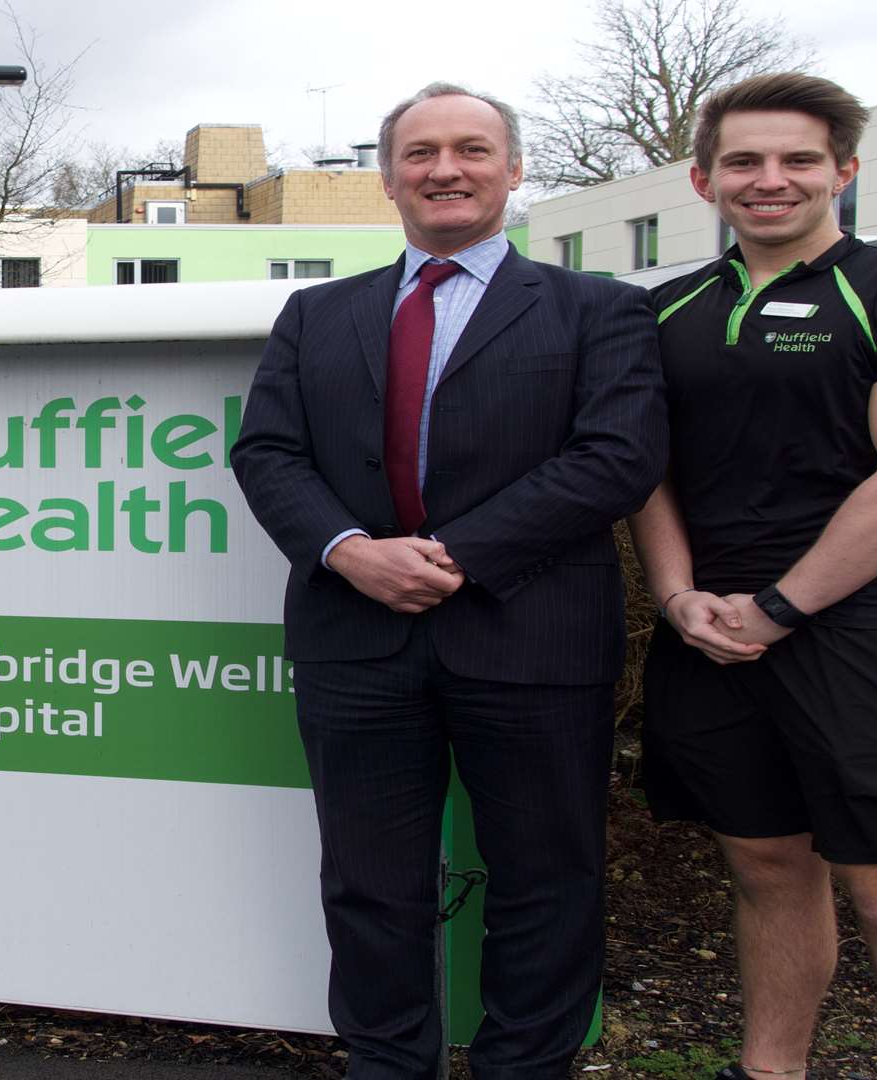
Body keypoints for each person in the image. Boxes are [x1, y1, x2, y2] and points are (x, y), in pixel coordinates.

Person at [232, 82, 667, 1078]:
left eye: (472, 149)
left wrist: (455, 555)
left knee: (547, 880)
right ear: (389, 179)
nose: (445, 169)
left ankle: (525, 1067)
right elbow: (268, 455)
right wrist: (350, 550)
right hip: (356, 637)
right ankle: (388, 1064)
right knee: (369, 884)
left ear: (513, 171)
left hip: (535, 635)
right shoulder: (317, 315)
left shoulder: (599, 310)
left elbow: (617, 457)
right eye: (420, 153)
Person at [630, 73, 877, 1080]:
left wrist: (784, 607)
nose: (770, 180)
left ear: (845, 170)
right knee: (768, 865)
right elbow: (646, 474)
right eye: (744, 161)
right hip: (710, 633)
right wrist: (674, 596)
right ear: (705, 178)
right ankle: (767, 1071)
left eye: (797, 160)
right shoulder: (665, 309)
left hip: (861, 625)